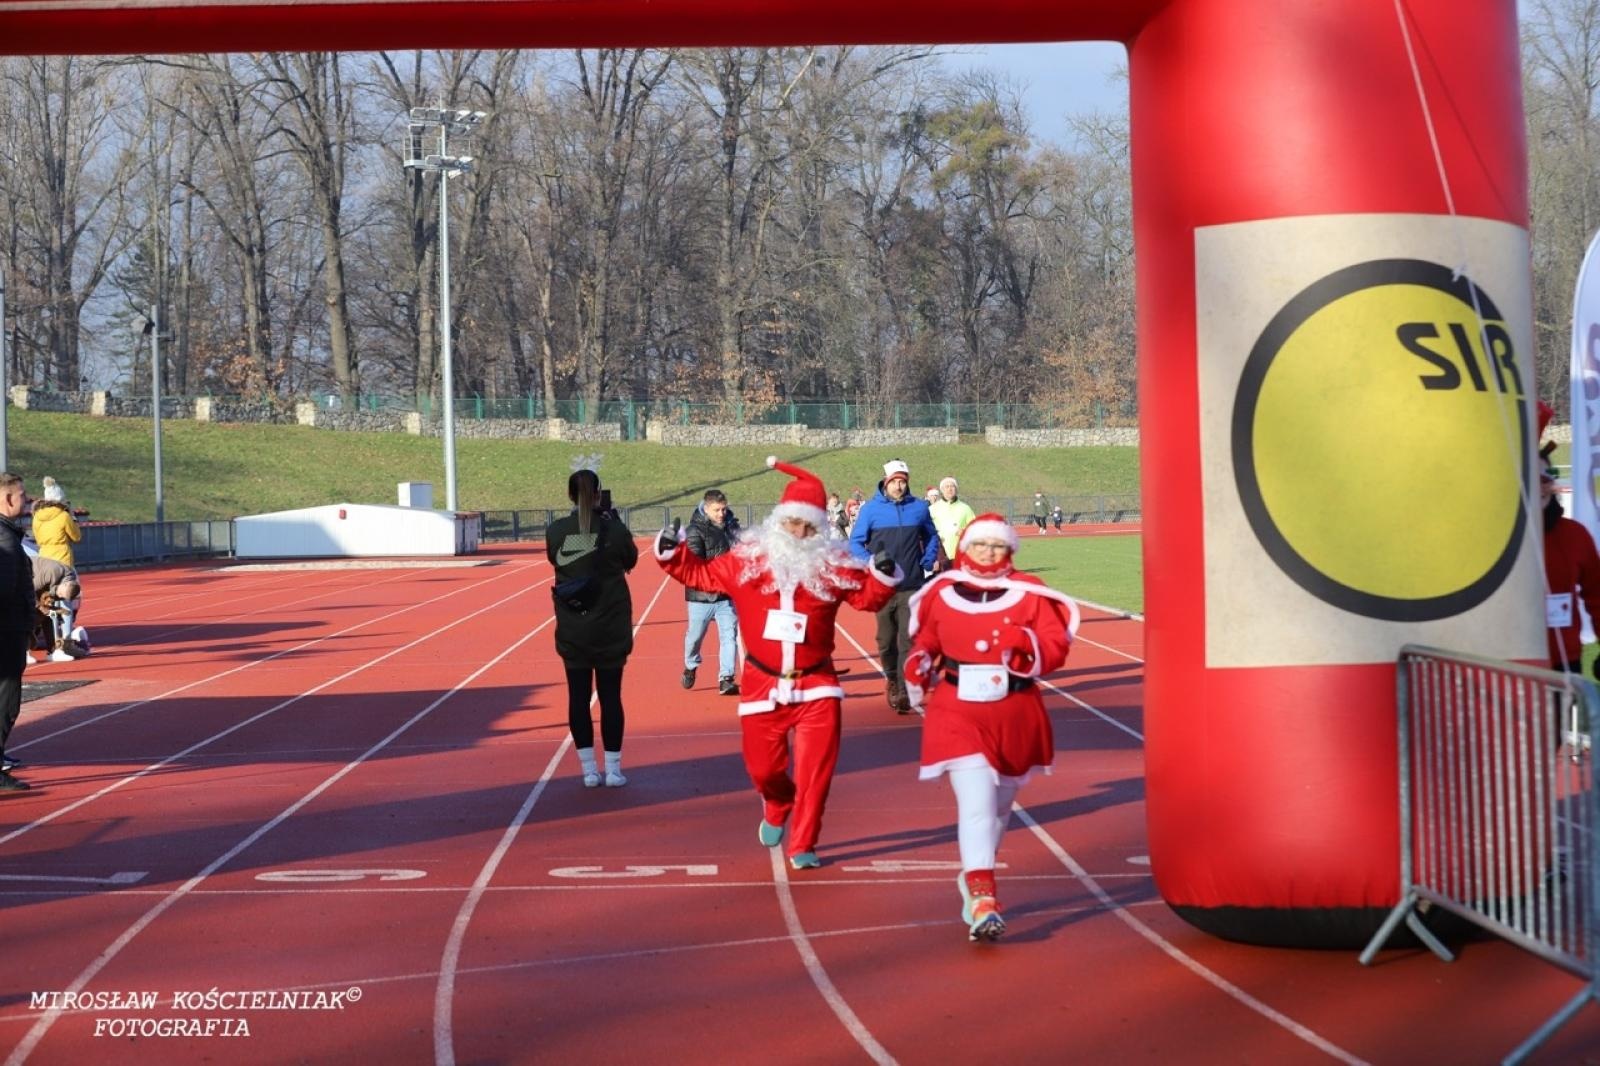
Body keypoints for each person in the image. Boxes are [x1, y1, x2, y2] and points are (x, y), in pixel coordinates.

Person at [655, 456, 900, 869]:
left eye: (810, 527)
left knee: (816, 775)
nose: (800, 533)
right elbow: (701, 576)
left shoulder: (832, 567)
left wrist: (882, 575)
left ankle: (803, 844)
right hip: (763, 684)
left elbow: (866, 597)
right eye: (793, 524)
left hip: (817, 686)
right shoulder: (747, 561)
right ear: (778, 522)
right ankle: (776, 801)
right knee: (763, 769)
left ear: (821, 530)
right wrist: (671, 553)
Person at [902, 513, 1080, 940]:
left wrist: (1028, 644)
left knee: (999, 807)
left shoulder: (1030, 592)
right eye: (980, 544)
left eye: (997, 545)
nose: (988, 552)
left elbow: (1056, 646)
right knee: (978, 801)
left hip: (1014, 711)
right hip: (957, 709)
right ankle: (984, 898)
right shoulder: (941, 592)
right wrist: (919, 660)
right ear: (965, 547)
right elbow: (927, 639)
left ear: (1010, 549)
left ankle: (974, 872)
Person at [547, 468, 639, 788]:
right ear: (599, 494)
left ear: (570, 495)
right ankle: (613, 769)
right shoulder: (614, 530)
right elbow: (631, 560)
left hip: (574, 626)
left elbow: (555, 560)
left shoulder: (556, 531)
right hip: (610, 625)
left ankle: (588, 770)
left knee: (578, 697)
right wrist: (612, 522)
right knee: (611, 697)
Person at [848, 458, 939, 713]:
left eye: (902, 482)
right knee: (886, 641)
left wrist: (928, 559)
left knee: (908, 639)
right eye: (894, 482)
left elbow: (931, 536)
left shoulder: (919, 508)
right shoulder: (870, 510)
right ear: (885, 483)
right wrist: (872, 563)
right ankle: (891, 677)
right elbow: (855, 543)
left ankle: (903, 688)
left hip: (912, 584)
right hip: (883, 587)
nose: (899, 486)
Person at [682, 488, 741, 696]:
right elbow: (694, 565)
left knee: (729, 636)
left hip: (725, 595)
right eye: (717, 510)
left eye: (723, 509)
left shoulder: (731, 527)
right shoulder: (694, 531)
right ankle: (690, 665)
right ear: (706, 508)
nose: (721, 514)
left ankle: (726, 678)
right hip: (701, 597)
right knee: (695, 638)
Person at [0, 474, 33, 790]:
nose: (27, 500)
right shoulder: (6, 539)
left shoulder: (7, 534)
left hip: (10, 627)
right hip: (7, 631)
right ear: (8, 499)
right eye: (22, 495)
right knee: (7, 701)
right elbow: (5, 590)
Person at [29, 555, 85, 663]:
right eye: (60, 594)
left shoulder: (70, 578)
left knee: (48, 616)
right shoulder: (51, 573)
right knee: (28, 615)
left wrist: (52, 610)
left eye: (61, 597)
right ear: (64, 585)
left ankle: (53, 651)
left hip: (38, 582)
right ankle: (24, 652)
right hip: (23, 576)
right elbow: (28, 591)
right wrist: (40, 607)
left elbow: (55, 594)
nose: (58, 597)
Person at [31, 477, 81, 568]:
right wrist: (73, 517)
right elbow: (77, 537)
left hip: (44, 560)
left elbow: (38, 540)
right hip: (62, 560)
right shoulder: (64, 516)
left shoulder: (36, 517)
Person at [929, 476, 976, 564]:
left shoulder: (965, 508)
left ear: (956, 489)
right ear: (942, 490)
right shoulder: (932, 509)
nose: (950, 489)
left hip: (960, 555)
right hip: (939, 556)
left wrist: (965, 532)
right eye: (947, 487)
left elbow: (975, 529)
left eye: (952, 486)